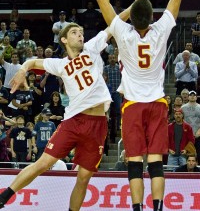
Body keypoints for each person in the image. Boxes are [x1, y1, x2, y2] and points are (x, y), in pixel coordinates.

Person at [0, 22, 119, 210]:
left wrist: (135, 4)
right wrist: (23, 70)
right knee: (43, 163)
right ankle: (4, 196)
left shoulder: (91, 48)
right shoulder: (60, 63)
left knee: (84, 178)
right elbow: (31, 62)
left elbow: (114, 24)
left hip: (98, 123)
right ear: (64, 39)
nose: (80, 35)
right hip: (74, 121)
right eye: (74, 32)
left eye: (81, 32)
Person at [96, 0, 182, 211]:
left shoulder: (122, 32)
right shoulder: (161, 29)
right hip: (157, 103)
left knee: (134, 163)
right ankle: (157, 208)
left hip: (132, 104)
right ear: (152, 17)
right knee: (155, 163)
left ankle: (137, 209)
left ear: (131, 18)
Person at [181, 90, 200, 164]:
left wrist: (199, 131)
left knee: (198, 154)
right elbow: (180, 120)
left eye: (194, 95)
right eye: (191, 95)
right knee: (186, 153)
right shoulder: (183, 108)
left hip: (198, 134)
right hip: (186, 135)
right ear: (188, 97)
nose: (192, 96)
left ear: (196, 97)